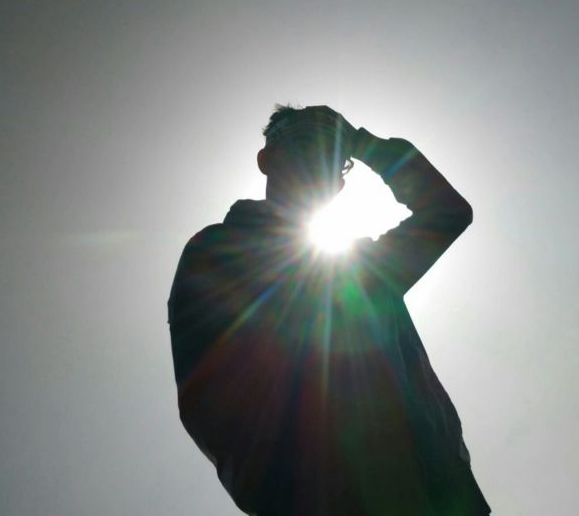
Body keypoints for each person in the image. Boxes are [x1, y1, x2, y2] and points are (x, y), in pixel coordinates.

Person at [168, 105, 491, 516]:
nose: (319, 164)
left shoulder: (358, 269)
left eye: (334, 157)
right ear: (267, 160)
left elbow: (447, 213)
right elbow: (207, 393)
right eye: (305, 145)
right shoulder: (218, 250)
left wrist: (366, 145)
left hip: (430, 492)